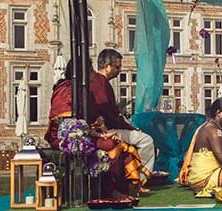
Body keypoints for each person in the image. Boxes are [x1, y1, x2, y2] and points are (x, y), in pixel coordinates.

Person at [45, 60, 147, 196]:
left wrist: (103, 132)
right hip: (67, 138)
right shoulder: (66, 91)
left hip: (87, 134)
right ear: (83, 74)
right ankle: (110, 191)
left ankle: (126, 187)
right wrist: (99, 135)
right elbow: (69, 126)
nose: (94, 74)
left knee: (119, 143)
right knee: (111, 145)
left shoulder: (85, 92)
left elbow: (92, 119)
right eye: (91, 71)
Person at [89, 49, 156, 175]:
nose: (120, 70)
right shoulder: (100, 84)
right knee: (146, 141)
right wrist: (130, 128)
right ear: (107, 66)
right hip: (107, 129)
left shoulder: (100, 82)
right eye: (117, 67)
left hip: (105, 127)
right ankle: (140, 176)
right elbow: (109, 115)